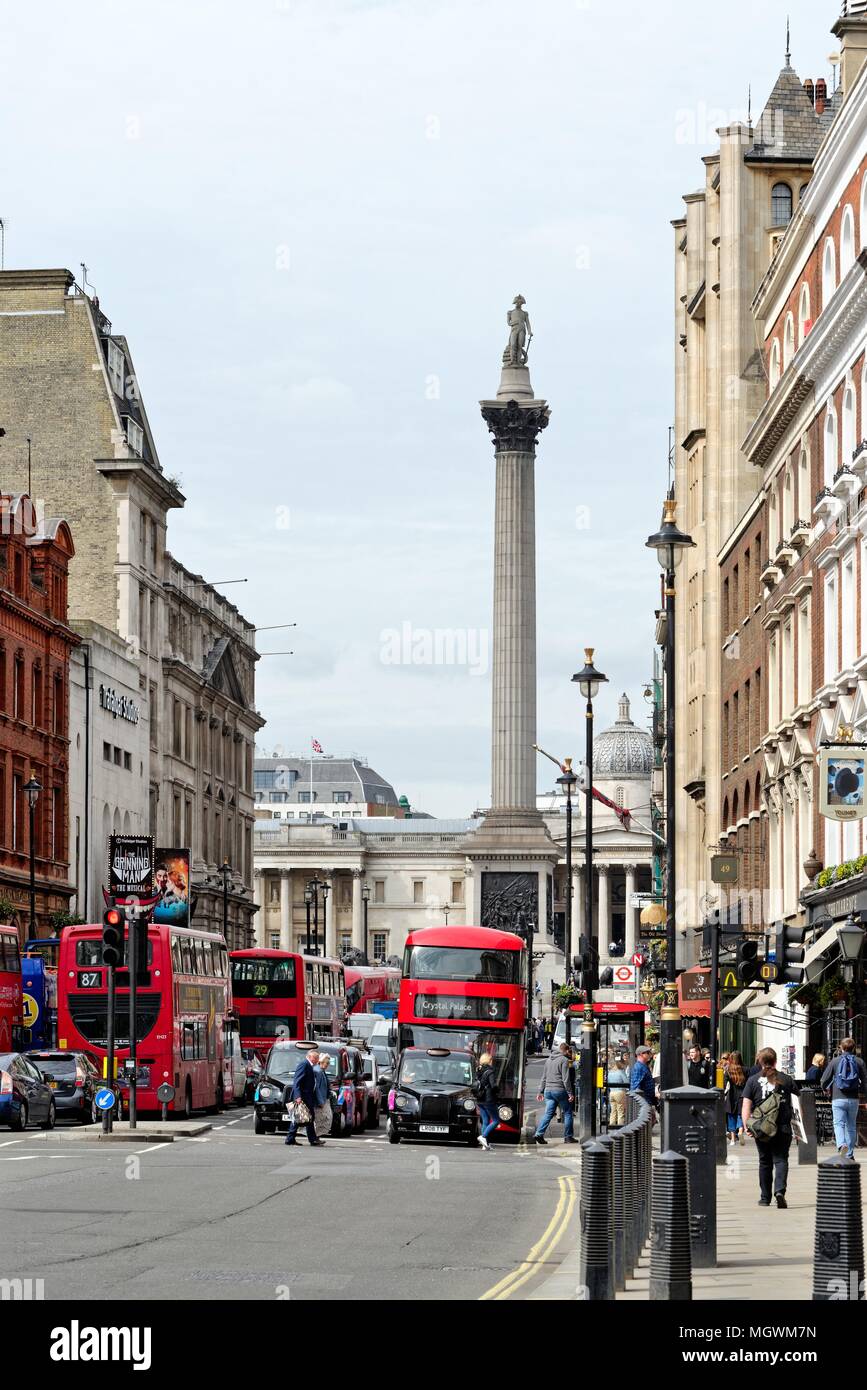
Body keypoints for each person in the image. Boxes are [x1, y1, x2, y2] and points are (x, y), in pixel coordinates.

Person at [741, 1047, 796, 1208]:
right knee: (781, 1160)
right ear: (775, 1061)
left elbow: (746, 1105)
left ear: (759, 1061)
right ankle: (779, 1191)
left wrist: (746, 1126)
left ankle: (765, 1198)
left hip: (761, 1128)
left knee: (765, 1161)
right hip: (783, 1127)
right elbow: (798, 1106)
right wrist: (799, 1129)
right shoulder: (787, 1079)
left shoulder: (752, 1080)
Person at [820, 1038, 867, 1159]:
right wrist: (863, 1094)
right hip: (854, 1099)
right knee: (851, 1126)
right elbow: (865, 1082)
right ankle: (849, 1154)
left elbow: (824, 1079)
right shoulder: (859, 1061)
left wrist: (824, 1088)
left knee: (838, 1123)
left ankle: (841, 1145)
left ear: (841, 1048)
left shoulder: (835, 1061)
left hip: (838, 1098)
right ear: (854, 1048)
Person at [533, 1043, 575, 1144]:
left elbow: (544, 1077)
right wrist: (570, 1093)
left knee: (548, 1114)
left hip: (548, 1091)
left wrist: (540, 1091)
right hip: (559, 1090)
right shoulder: (564, 1060)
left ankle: (539, 1134)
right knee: (568, 1112)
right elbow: (565, 1079)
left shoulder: (548, 1060)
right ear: (565, 1051)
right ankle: (568, 1137)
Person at [284, 1048, 324, 1147]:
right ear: (311, 1057)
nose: (318, 1060)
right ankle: (311, 1139)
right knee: (305, 1117)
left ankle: (292, 1138)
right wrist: (298, 1096)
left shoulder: (309, 1065)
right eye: (316, 1058)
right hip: (303, 1096)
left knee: (305, 1117)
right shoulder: (304, 1064)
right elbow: (297, 1081)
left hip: (307, 1096)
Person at [475, 1052, 500, 1151]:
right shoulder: (490, 1071)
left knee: (485, 1121)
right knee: (495, 1120)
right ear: (489, 1061)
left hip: (479, 1099)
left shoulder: (478, 1070)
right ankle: (483, 1137)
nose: (492, 1061)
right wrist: (498, 1090)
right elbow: (493, 1085)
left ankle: (485, 1144)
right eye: (491, 1060)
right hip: (488, 1099)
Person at [723, 1051, 746, 1146]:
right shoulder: (745, 1070)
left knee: (731, 1116)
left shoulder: (728, 1070)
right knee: (740, 1115)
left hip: (731, 1095)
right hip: (742, 1095)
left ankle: (732, 1139)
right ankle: (740, 1131)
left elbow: (725, 1083)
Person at [629, 1044, 657, 1115]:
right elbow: (635, 1086)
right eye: (648, 1053)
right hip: (644, 1102)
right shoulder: (639, 1067)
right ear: (641, 1054)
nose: (650, 1054)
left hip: (647, 1101)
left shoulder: (643, 1066)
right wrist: (639, 1103)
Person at [312, 1053, 333, 1139]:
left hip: (322, 1099)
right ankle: (315, 1137)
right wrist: (320, 1101)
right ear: (321, 1062)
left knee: (321, 1119)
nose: (327, 1065)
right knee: (320, 1119)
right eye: (326, 1063)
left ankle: (316, 1137)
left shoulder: (321, 1071)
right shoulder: (318, 1071)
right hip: (319, 1101)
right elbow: (317, 1088)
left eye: (328, 1063)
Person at [608, 1053, 630, 1129]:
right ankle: (620, 1128)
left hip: (611, 1093)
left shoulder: (610, 1072)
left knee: (613, 1111)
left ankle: (612, 1126)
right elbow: (626, 1082)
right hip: (620, 1092)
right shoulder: (621, 1072)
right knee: (621, 1111)